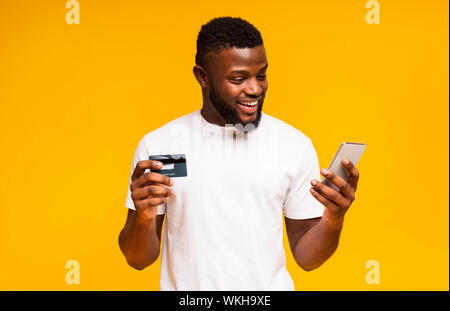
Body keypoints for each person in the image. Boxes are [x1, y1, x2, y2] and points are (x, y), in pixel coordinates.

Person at [118, 17, 360, 291]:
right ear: (202, 76)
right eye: (238, 78)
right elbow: (138, 259)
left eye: (261, 75)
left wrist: (333, 218)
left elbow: (307, 258)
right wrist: (143, 217)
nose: (255, 89)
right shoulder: (161, 146)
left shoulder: (293, 145)